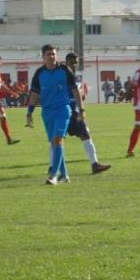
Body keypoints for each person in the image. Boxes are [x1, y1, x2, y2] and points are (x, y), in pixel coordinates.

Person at [26, 44, 85, 185]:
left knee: (58, 140)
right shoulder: (39, 73)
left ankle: (53, 175)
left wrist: (81, 110)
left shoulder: (65, 70)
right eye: (48, 54)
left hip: (63, 110)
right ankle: (65, 175)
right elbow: (34, 94)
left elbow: (75, 91)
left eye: (53, 54)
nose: (51, 56)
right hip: (47, 112)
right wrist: (29, 113)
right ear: (43, 56)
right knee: (54, 143)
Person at [59, 53, 112, 175]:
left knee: (86, 136)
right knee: (57, 140)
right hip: (63, 112)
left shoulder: (77, 77)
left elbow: (78, 96)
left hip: (76, 113)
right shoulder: (61, 76)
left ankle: (95, 164)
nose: (74, 64)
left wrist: (83, 94)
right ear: (66, 62)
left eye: (76, 62)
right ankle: (53, 166)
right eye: (71, 62)